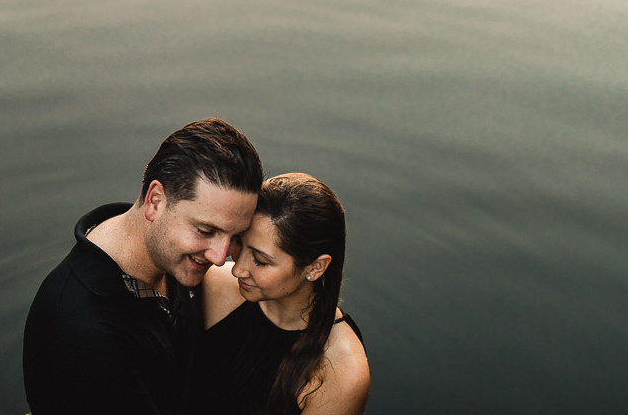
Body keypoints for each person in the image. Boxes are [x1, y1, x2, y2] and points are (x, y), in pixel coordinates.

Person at [22, 118, 263, 415]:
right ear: (155, 201)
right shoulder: (83, 335)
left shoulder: (165, 252)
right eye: (205, 231)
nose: (219, 257)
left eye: (235, 235)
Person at [192, 172, 371, 415]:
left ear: (315, 267)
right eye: (241, 245)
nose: (237, 269)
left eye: (261, 261)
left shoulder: (341, 371)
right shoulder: (215, 286)